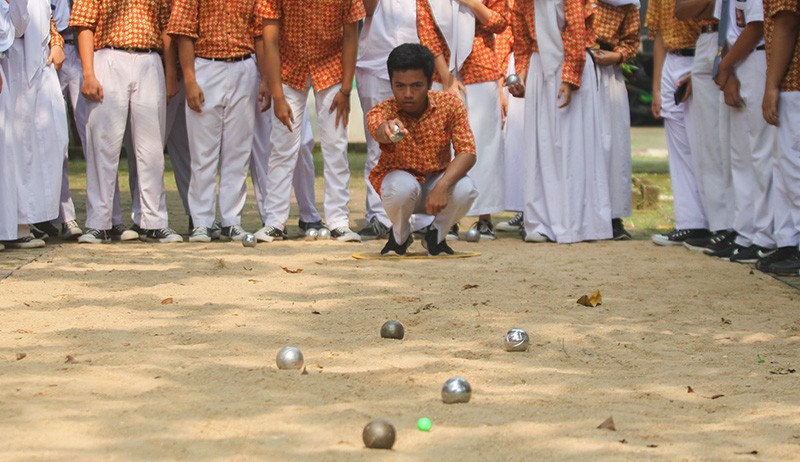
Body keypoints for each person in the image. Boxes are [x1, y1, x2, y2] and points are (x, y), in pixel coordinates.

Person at [71, 0, 181, 243]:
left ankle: (153, 222)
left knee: (151, 148)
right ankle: (99, 223)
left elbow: (166, 27)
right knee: (103, 145)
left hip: (150, 60)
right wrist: (88, 73)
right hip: (108, 56)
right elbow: (84, 24)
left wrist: (171, 73)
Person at [258, 0, 365, 242]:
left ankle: (339, 221)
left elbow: (351, 36)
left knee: (335, 145)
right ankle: (274, 222)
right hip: (288, 67)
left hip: (332, 67)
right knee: (283, 146)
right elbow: (270, 40)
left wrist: (346, 89)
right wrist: (277, 95)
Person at [508, 0, 613, 243]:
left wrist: (569, 78)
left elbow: (576, 32)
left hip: (570, 66)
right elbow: (522, 42)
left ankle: (580, 223)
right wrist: (521, 76)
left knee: (572, 145)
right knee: (541, 145)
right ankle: (540, 223)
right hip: (539, 68)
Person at [169, 0, 267, 243]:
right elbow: (184, 33)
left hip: (244, 66)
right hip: (206, 65)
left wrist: (265, 77)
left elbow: (259, 33)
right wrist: (190, 80)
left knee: (238, 150)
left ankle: (231, 221)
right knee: (203, 152)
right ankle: (201, 222)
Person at [367, 43, 478, 256]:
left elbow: (468, 151)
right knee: (400, 188)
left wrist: (442, 185)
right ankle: (399, 236)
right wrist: (386, 130)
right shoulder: (382, 111)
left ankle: (436, 236)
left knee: (467, 189)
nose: (408, 93)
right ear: (391, 83)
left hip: (437, 184)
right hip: (402, 188)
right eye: (400, 86)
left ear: (429, 82)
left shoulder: (450, 105)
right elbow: (378, 129)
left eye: (416, 85)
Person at [428, 0, 509, 240]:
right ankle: (447, 219)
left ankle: (484, 219)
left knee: (484, 146)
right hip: (441, 73)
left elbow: (500, 23)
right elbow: (427, 33)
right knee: (443, 147)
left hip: (481, 70)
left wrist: (471, 3)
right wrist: (447, 78)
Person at [709, 0, 778, 263]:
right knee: (740, 156)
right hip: (736, 62)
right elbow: (725, 30)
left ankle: (766, 236)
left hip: (758, 56)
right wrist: (728, 72)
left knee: (762, 153)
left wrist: (725, 67)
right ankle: (745, 232)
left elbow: (757, 24)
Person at [647, 0, 711, 246]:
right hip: (672, 60)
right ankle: (689, 222)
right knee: (679, 148)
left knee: (702, 145)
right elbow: (659, 34)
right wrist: (656, 88)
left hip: (700, 55)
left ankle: (714, 222)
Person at [3, 0, 66, 249]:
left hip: (39, 66)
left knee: (50, 142)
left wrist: (57, 42)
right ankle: (17, 225)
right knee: (17, 149)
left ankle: (26, 220)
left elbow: (47, 18)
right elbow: (16, 25)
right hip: (12, 64)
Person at [674, 0, 735, 253]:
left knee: (734, 142)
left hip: (734, 36)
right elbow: (681, 10)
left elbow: (727, 8)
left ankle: (741, 227)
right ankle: (721, 226)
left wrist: (710, 5)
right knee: (709, 143)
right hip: (707, 38)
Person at [355, 0, 419, 241]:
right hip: (376, 64)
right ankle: (378, 217)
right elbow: (366, 9)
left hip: (418, 66)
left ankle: (418, 219)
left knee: (418, 144)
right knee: (378, 145)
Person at [592, 0, 641, 240]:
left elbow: (632, 40)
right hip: (575, 67)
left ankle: (613, 217)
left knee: (612, 144)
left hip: (608, 73)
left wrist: (616, 55)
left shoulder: (627, 4)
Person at [758, 0, 800, 275]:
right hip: (790, 80)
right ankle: (790, 244)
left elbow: (786, 21)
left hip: (793, 80)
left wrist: (771, 85)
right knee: (786, 168)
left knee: (793, 167)